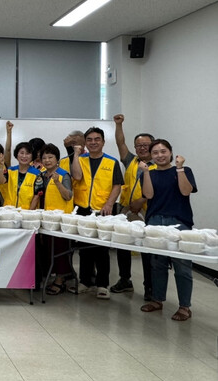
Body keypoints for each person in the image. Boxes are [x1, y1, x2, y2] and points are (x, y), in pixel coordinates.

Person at [140, 140, 197, 321]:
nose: (160, 155)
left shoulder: (184, 170)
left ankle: (185, 306)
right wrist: (146, 173)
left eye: (163, 151)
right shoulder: (148, 173)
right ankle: (157, 300)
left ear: (171, 152)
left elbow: (185, 191)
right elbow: (148, 195)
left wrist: (179, 169)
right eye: (155, 152)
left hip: (179, 222)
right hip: (155, 221)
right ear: (151, 156)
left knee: (182, 265)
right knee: (157, 264)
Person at [69, 127, 123, 299]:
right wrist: (76, 155)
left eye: (97, 139)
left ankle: (102, 284)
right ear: (85, 142)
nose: (93, 142)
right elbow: (77, 177)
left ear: (103, 142)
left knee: (101, 249)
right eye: (90, 140)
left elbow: (117, 185)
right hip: (82, 208)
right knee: (84, 248)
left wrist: (109, 204)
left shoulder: (111, 162)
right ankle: (85, 281)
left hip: (103, 210)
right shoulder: (80, 159)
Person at [110, 114, 155, 299]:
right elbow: (120, 143)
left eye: (146, 145)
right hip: (125, 209)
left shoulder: (159, 165)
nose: (142, 148)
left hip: (148, 212)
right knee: (123, 246)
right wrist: (118, 125)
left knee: (147, 250)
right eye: (138, 145)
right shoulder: (131, 161)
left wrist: (142, 200)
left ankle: (150, 287)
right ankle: (124, 280)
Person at [32, 144, 74, 295]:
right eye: (44, 158)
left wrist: (57, 182)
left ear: (57, 159)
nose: (47, 160)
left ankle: (60, 280)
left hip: (60, 220)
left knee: (60, 249)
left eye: (50, 157)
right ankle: (50, 275)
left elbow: (68, 196)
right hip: (45, 218)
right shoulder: (41, 175)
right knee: (48, 248)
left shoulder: (63, 175)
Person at [0, 141, 41, 209]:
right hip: (9, 209)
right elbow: (0, 181)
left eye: (27, 153)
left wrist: (29, 212)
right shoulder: (10, 170)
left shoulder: (37, 174)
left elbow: (37, 196)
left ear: (32, 156)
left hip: (27, 210)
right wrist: (1, 165)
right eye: (22, 153)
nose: (24, 156)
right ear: (17, 155)